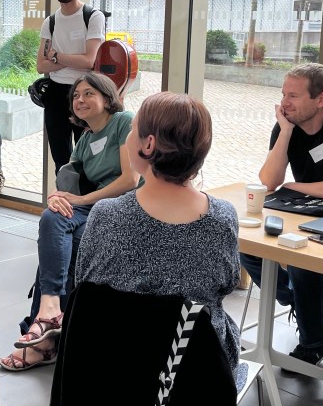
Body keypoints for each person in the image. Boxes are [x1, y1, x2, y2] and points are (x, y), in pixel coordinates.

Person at [73, 92, 242, 372]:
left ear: (148, 144)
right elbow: (226, 284)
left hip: (115, 369)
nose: (128, 137)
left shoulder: (106, 215)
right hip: (197, 375)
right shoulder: (222, 218)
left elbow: (87, 292)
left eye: (132, 130)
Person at [240, 63, 323, 365]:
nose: (284, 103)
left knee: (304, 263)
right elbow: (268, 181)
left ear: (320, 99)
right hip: (306, 213)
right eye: (283, 94)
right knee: (248, 248)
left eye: (293, 96)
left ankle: (315, 341)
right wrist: (285, 133)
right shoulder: (287, 126)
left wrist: (293, 184)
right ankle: (301, 305)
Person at [0, 72, 139, 371]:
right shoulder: (85, 139)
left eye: (89, 93)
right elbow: (70, 184)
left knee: (70, 244)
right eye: (76, 96)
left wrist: (80, 200)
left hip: (121, 208)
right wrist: (58, 197)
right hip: (92, 207)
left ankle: (43, 339)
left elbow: (131, 180)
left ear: (106, 96)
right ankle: (50, 310)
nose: (80, 100)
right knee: (53, 218)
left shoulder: (123, 122)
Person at [37, 0, 106, 172]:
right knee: (60, 159)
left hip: (85, 92)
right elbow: (41, 66)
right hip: (56, 94)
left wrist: (56, 57)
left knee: (89, 157)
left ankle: (87, 203)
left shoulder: (93, 16)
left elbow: (89, 61)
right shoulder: (50, 22)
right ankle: (65, 202)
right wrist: (71, 59)